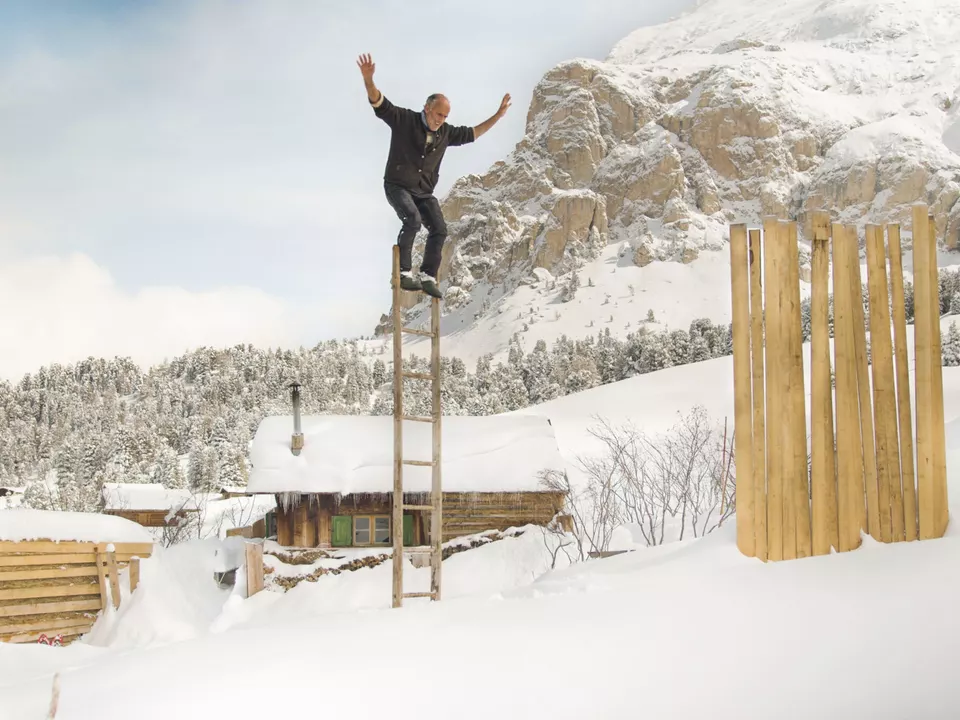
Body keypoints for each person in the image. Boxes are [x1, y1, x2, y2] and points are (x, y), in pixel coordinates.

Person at [357, 53, 511, 298]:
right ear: (427, 108)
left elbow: (474, 133)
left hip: (423, 191)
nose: (441, 120)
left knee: (439, 228)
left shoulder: (446, 133)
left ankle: (428, 276)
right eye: (439, 115)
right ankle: (404, 273)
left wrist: (498, 115)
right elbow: (379, 103)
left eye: (445, 117)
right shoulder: (405, 120)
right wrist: (368, 80)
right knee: (413, 219)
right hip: (398, 186)